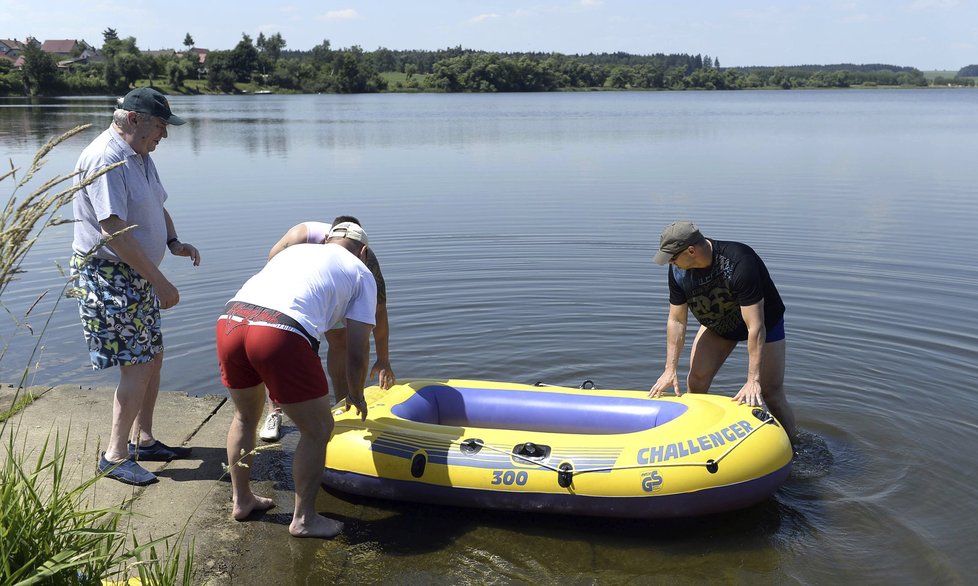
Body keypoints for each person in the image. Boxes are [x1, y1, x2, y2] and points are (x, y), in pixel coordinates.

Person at [71, 87, 201, 486]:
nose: (164, 134)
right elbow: (113, 231)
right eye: (160, 125)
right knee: (138, 364)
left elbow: (155, 206)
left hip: (134, 274)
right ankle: (114, 455)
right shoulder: (105, 159)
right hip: (108, 276)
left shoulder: (139, 155)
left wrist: (172, 242)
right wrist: (159, 280)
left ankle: (143, 440)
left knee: (153, 357)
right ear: (133, 119)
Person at [215, 221, 375, 538]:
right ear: (364, 252)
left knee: (245, 416)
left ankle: (242, 499)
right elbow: (357, 350)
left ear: (327, 240)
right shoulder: (361, 272)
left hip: (231, 320)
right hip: (279, 332)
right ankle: (304, 519)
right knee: (318, 429)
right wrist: (355, 392)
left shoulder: (298, 250)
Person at [648, 220, 798, 442]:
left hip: (764, 324)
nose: (671, 263)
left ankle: (794, 445)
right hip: (719, 325)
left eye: (673, 257)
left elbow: (755, 326)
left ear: (691, 250)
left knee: (770, 392)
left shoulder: (739, 261)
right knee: (696, 381)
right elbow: (676, 320)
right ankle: (696, 438)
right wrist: (670, 369)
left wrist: (752, 379)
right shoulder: (678, 271)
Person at [257, 215, 394, 442]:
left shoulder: (365, 257)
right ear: (326, 240)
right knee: (281, 347)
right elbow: (272, 264)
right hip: (293, 296)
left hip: (333, 291)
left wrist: (383, 360)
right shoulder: (302, 237)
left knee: (341, 342)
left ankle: (344, 404)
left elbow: (379, 310)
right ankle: (274, 411)